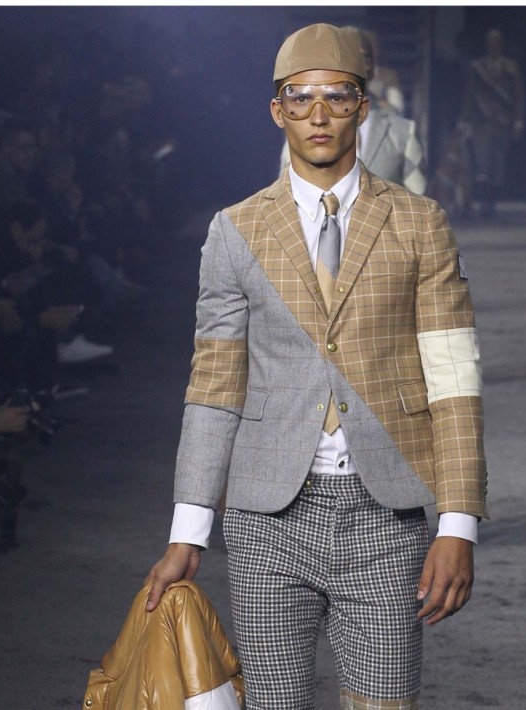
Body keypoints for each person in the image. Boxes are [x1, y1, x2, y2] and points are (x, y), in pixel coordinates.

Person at [146, 23, 488, 709]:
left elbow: (453, 379)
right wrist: (188, 531)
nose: (320, 114)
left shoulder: (419, 223)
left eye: (337, 95)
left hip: (385, 514)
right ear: (278, 111)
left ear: (363, 107)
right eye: (301, 98)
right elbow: (215, 383)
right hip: (266, 517)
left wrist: (458, 525)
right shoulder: (236, 230)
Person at [278, 26, 427, 196]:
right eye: (345, 57)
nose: (356, 65)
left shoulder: (403, 133)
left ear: (372, 65)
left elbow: (419, 202)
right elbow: (285, 195)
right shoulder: (304, 129)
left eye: (364, 58)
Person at [458, 28, 525, 218]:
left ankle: (492, 201)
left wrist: (519, 121)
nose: (493, 46)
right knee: (482, 163)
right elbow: (470, 95)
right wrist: (464, 120)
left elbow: (519, 95)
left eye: (497, 42)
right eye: (490, 42)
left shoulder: (511, 67)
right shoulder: (477, 67)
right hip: (481, 121)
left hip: (503, 121)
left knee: (498, 163)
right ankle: (484, 203)